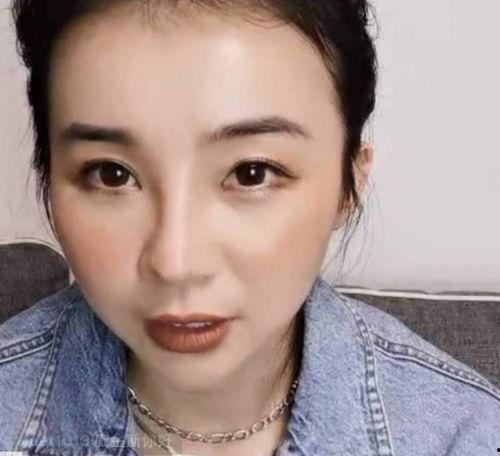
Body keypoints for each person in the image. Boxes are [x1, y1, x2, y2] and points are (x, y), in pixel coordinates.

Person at [1, 0, 499, 455]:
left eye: (251, 173)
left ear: (349, 185)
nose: (176, 264)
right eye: (111, 174)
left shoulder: (464, 436)